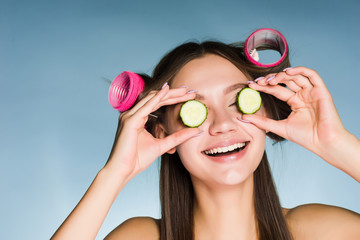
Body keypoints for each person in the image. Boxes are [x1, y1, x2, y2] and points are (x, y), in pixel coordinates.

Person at [52, 37, 360, 240]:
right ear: (163, 134)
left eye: (239, 101)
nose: (222, 125)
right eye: (194, 110)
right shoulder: (141, 236)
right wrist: (114, 175)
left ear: (265, 118)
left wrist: (337, 144)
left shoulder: (318, 231)